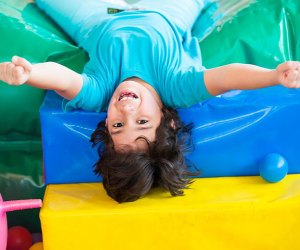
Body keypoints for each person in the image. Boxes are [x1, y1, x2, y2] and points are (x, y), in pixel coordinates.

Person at [0, 0, 300, 202]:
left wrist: (29, 73)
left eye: (118, 125)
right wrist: (274, 76)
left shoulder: (98, 92)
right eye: (142, 122)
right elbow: (228, 78)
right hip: (167, 11)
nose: (126, 110)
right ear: (167, 119)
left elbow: (62, 79)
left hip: (99, 18)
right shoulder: (178, 87)